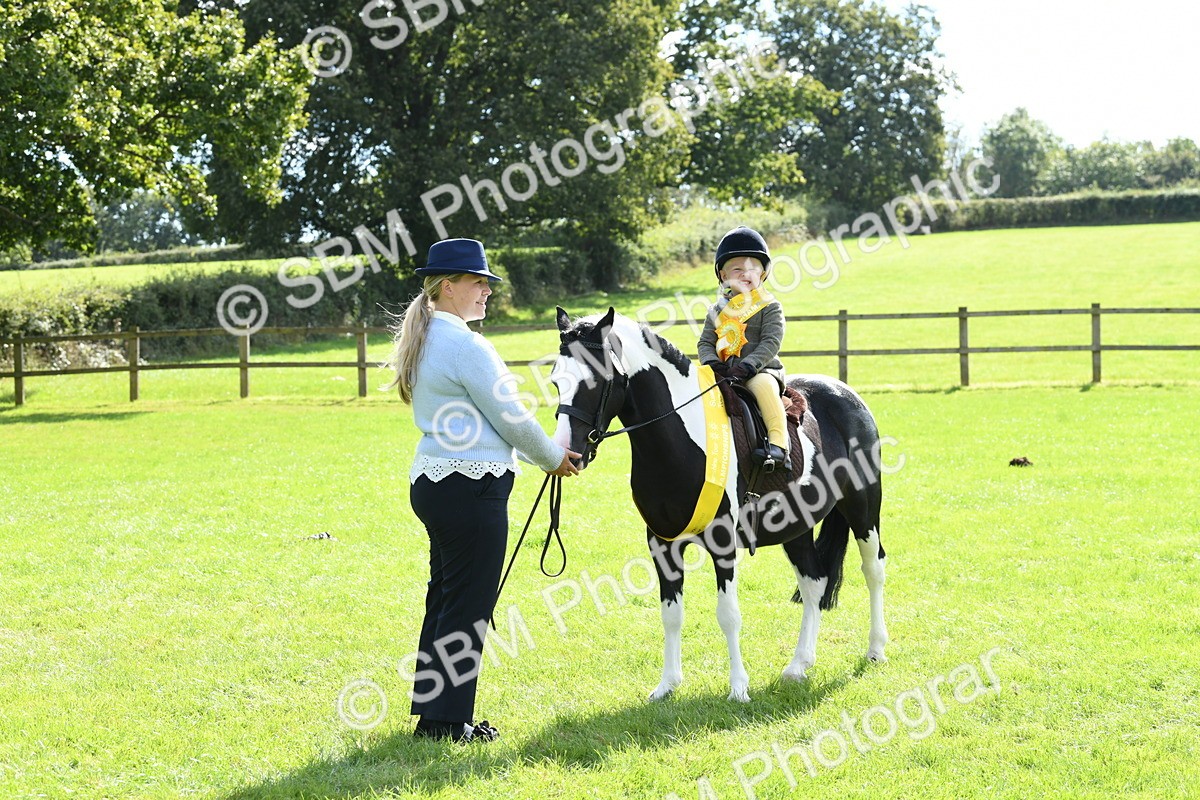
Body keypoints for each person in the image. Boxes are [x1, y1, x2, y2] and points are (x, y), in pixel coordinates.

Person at [387, 238, 581, 743]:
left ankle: (435, 717)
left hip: (436, 484)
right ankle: (449, 724)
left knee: (447, 598)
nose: (487, 292)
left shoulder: (428, 337)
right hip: (470, 488)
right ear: (447, 286)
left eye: (488, 284)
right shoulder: (466, 345)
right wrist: (554, 458)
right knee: (469, 604)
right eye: (478, 282)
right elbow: (513, 419)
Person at [697, 226, 790, 472]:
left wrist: (749, 366)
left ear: (763, 273)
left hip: (760, 371)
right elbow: (705, 342)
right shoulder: (716, 311)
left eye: (752, 268)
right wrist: (711, 362)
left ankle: (779, 446)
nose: (745, 274)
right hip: (722, 373)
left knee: (763, 387)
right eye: (737, 269)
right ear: (723, 275)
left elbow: (771, 341)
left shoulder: (770, 306)